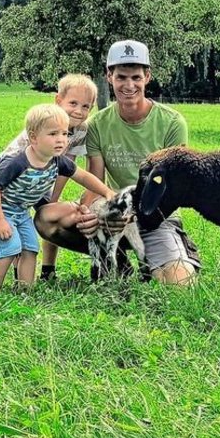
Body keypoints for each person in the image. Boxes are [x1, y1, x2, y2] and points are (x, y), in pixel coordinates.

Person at [38, 40, 201, 285]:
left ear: (147, 77)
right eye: (121, 77)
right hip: (113, 212)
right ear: (109, 77)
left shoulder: (172, 123)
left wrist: (133, 214)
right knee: (47, 218)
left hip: (157, 217)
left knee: (180, 285)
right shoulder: (98, 125)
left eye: (136, 77)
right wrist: (92, 212)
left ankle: (166, 255)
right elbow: (96, 182)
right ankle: (119, 260)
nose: (129, 85)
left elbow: (173, 190)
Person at [0, 103, 116, 291]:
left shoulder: (57, 161)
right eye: (53, 134)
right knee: (8, 250)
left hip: (20, 210)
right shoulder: (17, 162)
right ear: (33, 137)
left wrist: (107, 192)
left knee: (30, 248)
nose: (61, 140)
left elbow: (83, 177)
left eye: (64, 134)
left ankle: (26, 291)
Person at [0, 73, 97, 282]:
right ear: (58, 100)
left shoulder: (80, 130)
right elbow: (12, 167)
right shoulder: (43, 125)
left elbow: (67, 166)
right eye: (73, 103)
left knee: (50, 214)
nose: (79, 111)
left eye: (86, 106)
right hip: (14, 180)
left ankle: (48, 269)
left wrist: (52, 200)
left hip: (43, 178)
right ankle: (16, 270)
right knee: (15, 222)